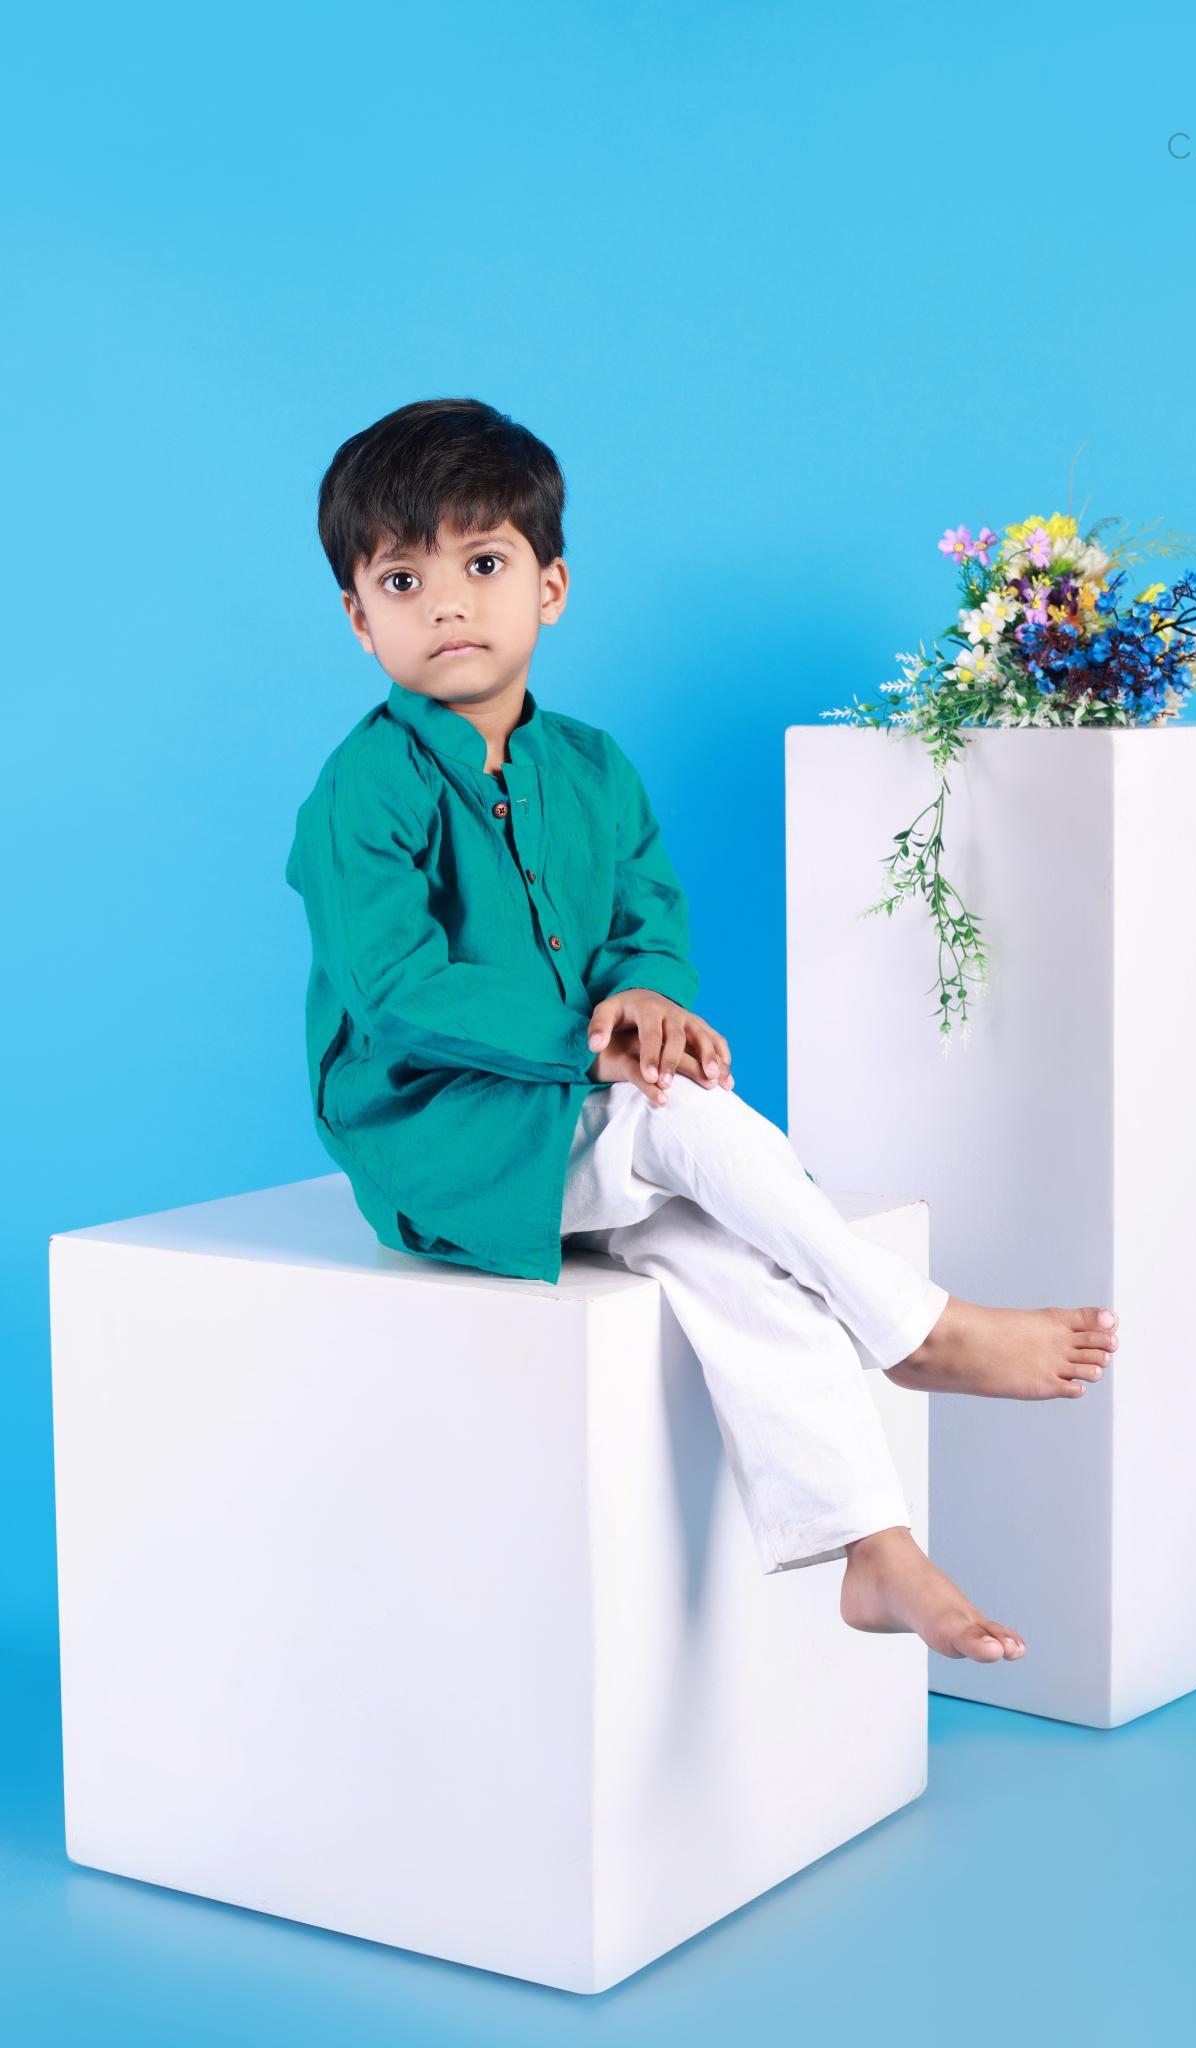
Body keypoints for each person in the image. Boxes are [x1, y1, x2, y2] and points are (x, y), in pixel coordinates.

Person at [284, 397, 1121, 1665]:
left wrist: (650, 1000)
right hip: (445, 1142)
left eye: (483, 563)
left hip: (579, 1124)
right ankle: (917, 1327)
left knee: (732, 1258)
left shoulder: (594, 766)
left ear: (550, 586)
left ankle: (872, 1547)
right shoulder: (365, 786)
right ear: (359, 616)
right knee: (679, 1115)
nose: (446, 602)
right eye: (403, 579)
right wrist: (595, 1044)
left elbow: (646, 921)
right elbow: (398, 989)